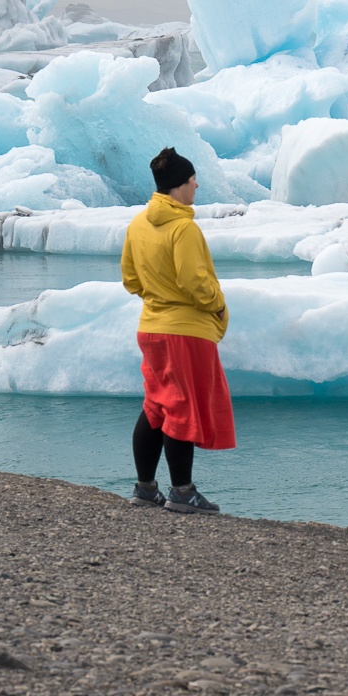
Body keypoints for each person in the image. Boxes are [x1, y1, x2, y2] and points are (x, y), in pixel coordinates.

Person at [119, 147, 234, 514]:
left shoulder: (138, 224)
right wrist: (217, 303)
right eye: (192, 179)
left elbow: (130, 278)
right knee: (181, 407)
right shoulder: (184, 228)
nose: (197, 184)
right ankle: (182, 492)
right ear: (178, 186)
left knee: (156, 405)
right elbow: (193, 281)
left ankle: (145, 488)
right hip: (185, 331)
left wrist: (157, 297)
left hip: (151, 328)